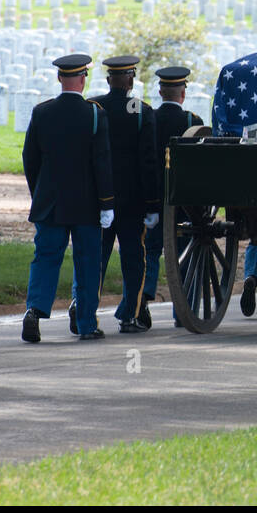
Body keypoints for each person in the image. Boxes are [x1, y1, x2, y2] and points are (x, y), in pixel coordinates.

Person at [20, 54, 115, 343]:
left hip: (50, 202)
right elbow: (102, 162)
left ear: (60, 78)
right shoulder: (95, 114)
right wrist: (107, 202)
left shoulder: (42, 112)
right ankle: (86, 323)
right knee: (87, 262)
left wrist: (39, 191)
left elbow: (30, 158)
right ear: (83, 79)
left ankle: (34, 312)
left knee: (46, 258)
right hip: (86, 204)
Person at [88, 55, 160, 334]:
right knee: (133, 259)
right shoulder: (141, 110)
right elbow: (148, 162)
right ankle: (128, 314)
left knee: (96, 257)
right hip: (132, 201)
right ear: (130, 80)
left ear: (108, 80)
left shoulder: (93, 107)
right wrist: (152, 203)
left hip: (99, 198)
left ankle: (82, 306)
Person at [141, 66, 204, 327]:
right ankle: (183, 310)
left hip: (153, 199)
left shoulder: (147, 119)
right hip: (183, 203)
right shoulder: (192, 122)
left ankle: (141, 303)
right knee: (184, 255)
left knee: (150, 252)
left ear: (160, 91)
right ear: (183, 94)